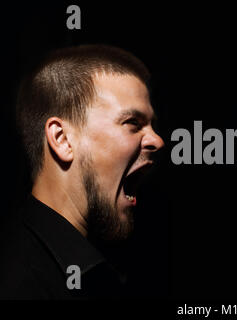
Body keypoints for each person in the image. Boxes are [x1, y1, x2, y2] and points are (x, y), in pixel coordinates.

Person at [0, 44, 164, 299]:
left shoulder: (95, 269)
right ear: (63, 139)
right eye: (133, 122)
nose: (158, 140)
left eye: (152, 125)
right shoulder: (21, 282)